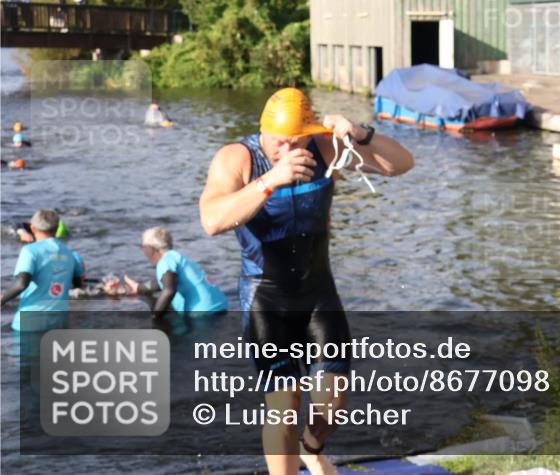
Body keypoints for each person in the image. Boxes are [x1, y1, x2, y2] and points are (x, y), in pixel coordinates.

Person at [199, 87, 414, 475]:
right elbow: (212, 220)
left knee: (332, 401)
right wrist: (271, 181)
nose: (291, 149)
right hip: (266, 295)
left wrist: (360, 134)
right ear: (265, 130)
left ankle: (312, 448)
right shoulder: (237, 158)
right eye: (282, 142)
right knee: (283, 403)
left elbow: (401, 164)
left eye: (298, 140)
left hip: (317, 291)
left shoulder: (323, 147)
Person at [1, 209, 85, 331]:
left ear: (33, 228)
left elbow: (21, 284)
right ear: (57, 229)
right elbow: (78, 284)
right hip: (59, 323)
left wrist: (2, 300)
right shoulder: (71, 255)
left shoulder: (30, 251)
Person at [125, 227, 228, 319]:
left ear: (150, 249)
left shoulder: (164, 261)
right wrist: (138, 287)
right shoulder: (176, 257)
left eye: (143, 247)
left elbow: (169, 290)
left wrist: (155, 317)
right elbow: (160, 283)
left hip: (203, 313)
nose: (143, 251)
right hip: (220, 305)